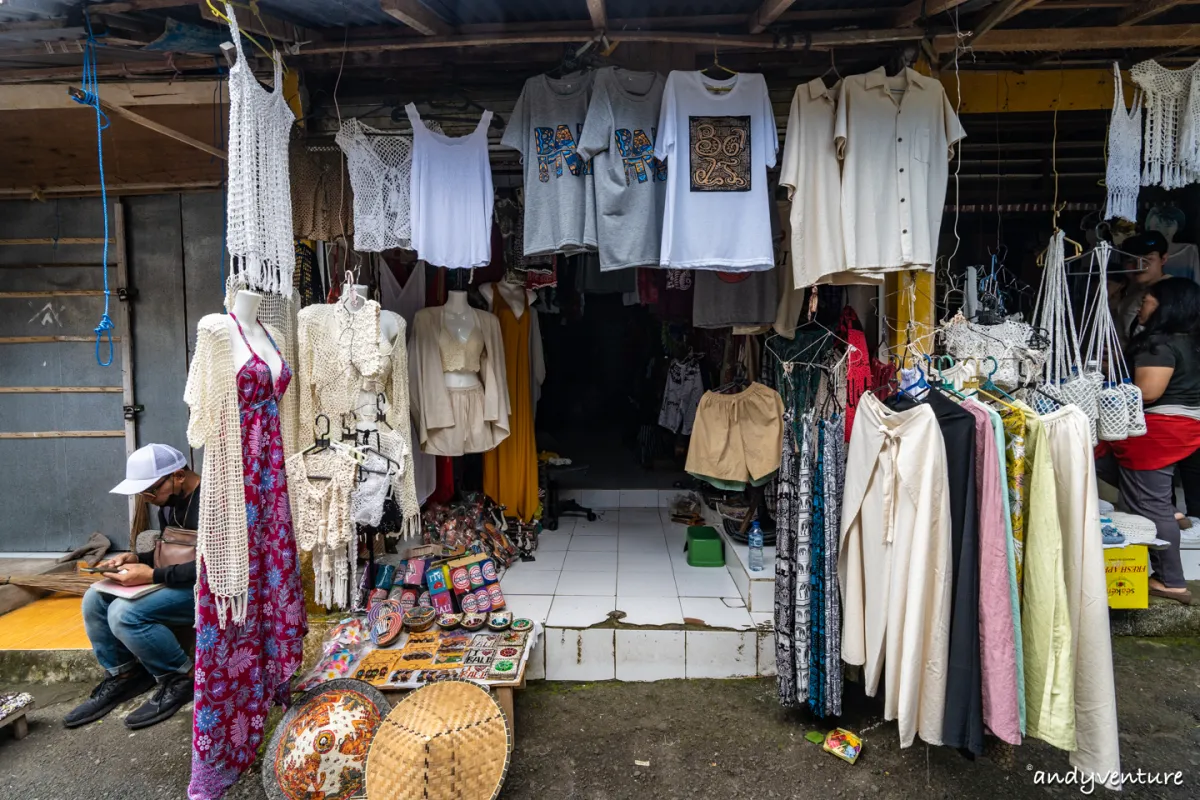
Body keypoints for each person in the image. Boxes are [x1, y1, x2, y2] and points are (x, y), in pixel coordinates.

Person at [64, 444, 199, 730]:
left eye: (150, 491)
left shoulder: (213, 502)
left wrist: (153, 575)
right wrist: (137, 558)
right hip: (174, 580)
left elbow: (217, 565)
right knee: (94, 598)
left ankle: (180, 677)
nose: (147, 499)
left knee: (124, 614)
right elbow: (175, 551)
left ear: (177, 475)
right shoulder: (170, 504)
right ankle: (125, 675)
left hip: (205, 590)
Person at [1098, 278, 1200, 604]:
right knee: (1101, 457)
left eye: (1148, 300)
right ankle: (1170, 512)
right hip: (1182, 425)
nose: (1141, 306)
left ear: (1166, 306)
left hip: (1159, 429)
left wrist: (1110, 390)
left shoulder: (1160, 344)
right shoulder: (1188, 341)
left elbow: (1149, 392)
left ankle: (1171, 581)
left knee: (1148, 502)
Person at [1113, 231, 1171, 348]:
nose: (1138, 266)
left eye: (1147, 259)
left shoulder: (1175, 293)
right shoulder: (1127, 297)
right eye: (1130, 260)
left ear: (1163, 259)